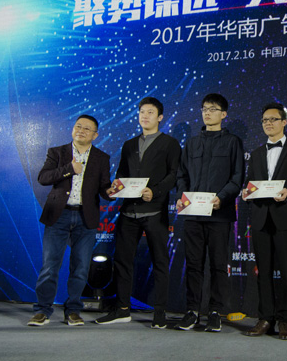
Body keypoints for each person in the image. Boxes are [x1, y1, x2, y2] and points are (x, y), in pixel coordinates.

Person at [95, 97, 180, 329]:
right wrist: (116, 186)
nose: (145, 116)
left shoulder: (170, 143)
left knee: (160, 262)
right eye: (142, 112)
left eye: (150, 112)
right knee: (122, 261)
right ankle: (122, 309)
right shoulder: (129, 144)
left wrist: (156, 191)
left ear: (160, 117)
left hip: (154, 212)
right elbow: (122, 173)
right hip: (128, 212)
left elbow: (173, 175)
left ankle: (160, 312)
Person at [28, 115, 111, 327]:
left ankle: (73, 310)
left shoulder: (101, 157)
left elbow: (104, 187)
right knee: (50, 265)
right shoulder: (57, 152)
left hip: (86, 216)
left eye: (87, 128)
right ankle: (42, 310)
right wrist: (69, 169)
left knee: (81, 267)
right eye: (78, 126)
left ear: (95, 135)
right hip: (59, 214)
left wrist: (111, 192)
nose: (81, 130)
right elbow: (43, 178)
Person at [175, 93, 245, 332]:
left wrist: (222, 198)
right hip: (193, 214)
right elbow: (182, 175)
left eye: (213, 109)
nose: (207, 112)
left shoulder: (233, 142)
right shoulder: (192, 143)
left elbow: (237, 177)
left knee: (218, 264)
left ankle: (215, 312)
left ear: (223, 114)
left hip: (219, 214)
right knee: (193, 264)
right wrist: (182, 197)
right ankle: (192, 311)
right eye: (205, 108)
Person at [242, 103, 287, 340]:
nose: (268, 123)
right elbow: (252, 183)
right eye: (264, 120)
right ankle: (265, 318)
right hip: (261, 218)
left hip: (286, 219)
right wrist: (247, 192)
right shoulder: (256, 153)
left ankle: (285, 320)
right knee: (263, 272)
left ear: (284, 122)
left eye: (273, 119)